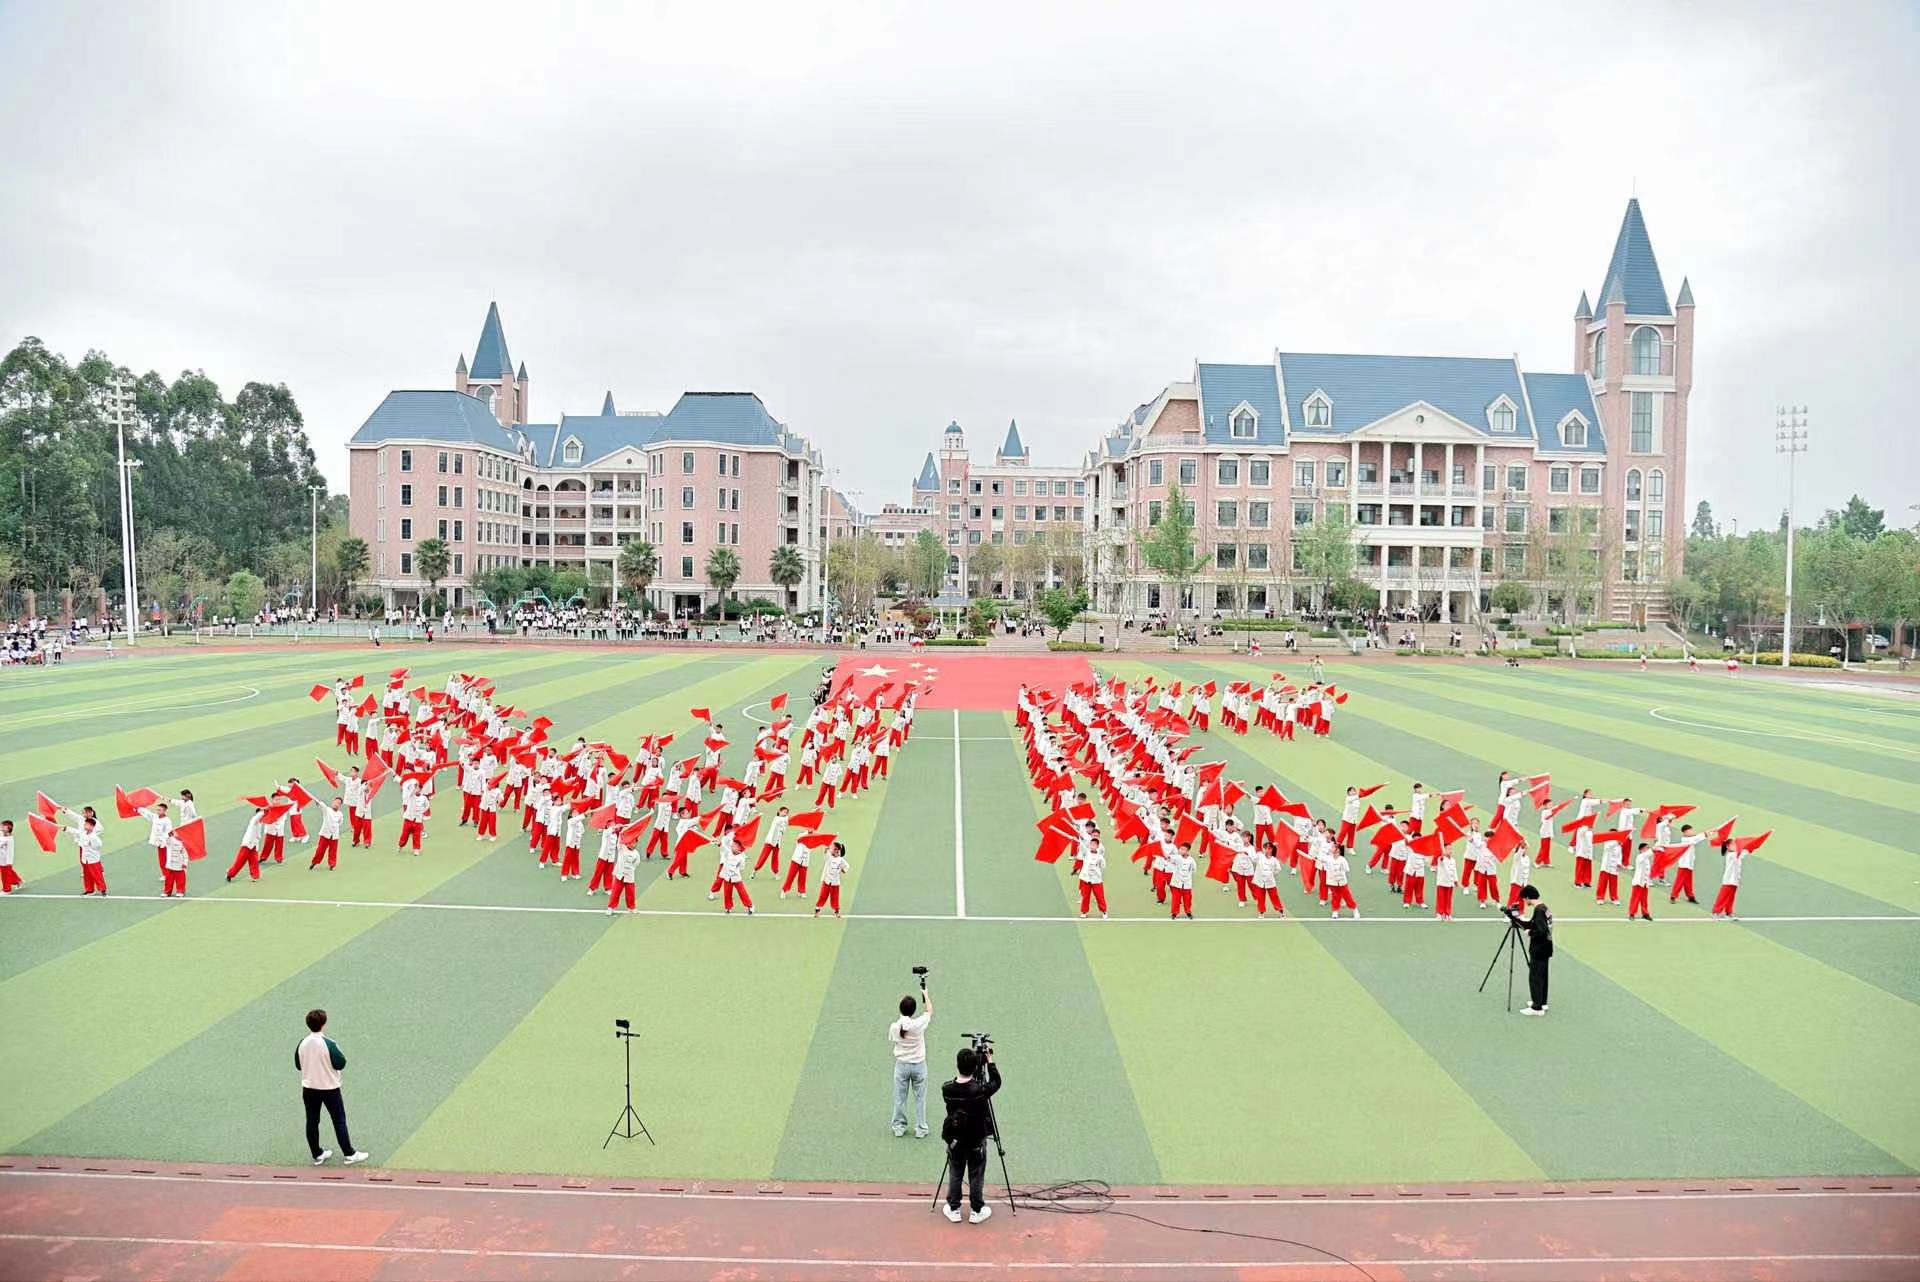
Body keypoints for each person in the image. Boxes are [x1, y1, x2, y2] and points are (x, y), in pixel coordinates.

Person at [296, 1009, 368, 1166]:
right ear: (323, 1024)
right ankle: (349, 1153)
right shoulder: (328, 1043)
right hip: (329, 1088)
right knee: (339, 1120)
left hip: (309, 1088)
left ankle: (317, 1153)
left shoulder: (302, 1043)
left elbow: (298, 1065)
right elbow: (341, 1063)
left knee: (312, 1121)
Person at [940, 1044, 1002, 1224]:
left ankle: (954, 1208)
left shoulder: (947, 1089)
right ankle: (977, 1210)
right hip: (976, 1140)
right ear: (976, 1067)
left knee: (955, 1172)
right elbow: (996, 1082)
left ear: (957, 1065)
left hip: (956, 1141)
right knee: (976, 1174)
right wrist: (990, 1062)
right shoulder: (979, 1090)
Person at [889, 979, 933, 1138]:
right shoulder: (918, 1024)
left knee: (899, 1097)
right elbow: (929, 1011)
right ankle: (921, 1129)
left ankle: (899, 1127)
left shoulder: (895, 1027)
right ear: (913, 1011)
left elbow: (900, 1029)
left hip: (902, 1066)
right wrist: (925, 993)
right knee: (920, 1098)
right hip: (919, 1065)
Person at [1506, 886, 1553, 1015]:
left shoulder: (1538, 910)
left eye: (1524, 899)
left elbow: (1540, 929)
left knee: (1535, 976)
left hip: (1538, 948)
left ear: (1527, 897)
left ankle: (1536, 1007)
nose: (1524, 902)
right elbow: (1534, 924)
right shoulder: (1544, 908)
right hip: (1546, 947)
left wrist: (1530, 932)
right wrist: (1517, 920)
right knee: (1543, 975)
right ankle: (1542, 1002)